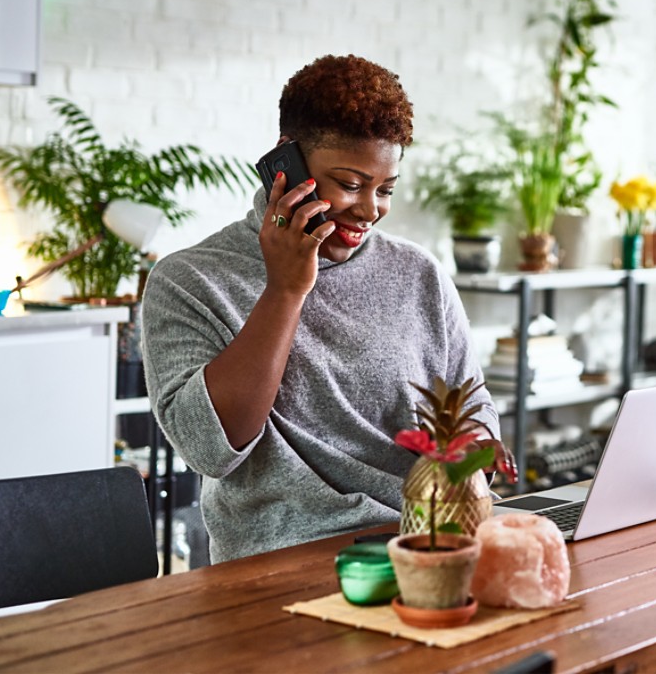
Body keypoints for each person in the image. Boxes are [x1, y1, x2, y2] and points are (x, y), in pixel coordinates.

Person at [140, 54, 515, 564]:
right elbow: (209, 450)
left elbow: (471, 400)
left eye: (385, 189)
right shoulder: (190, 280)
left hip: (433, 541)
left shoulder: (417, 273)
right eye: (351, 184)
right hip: (284, 561)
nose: (369, 211)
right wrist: (286, 289)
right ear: (285, 163)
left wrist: (472, 455)